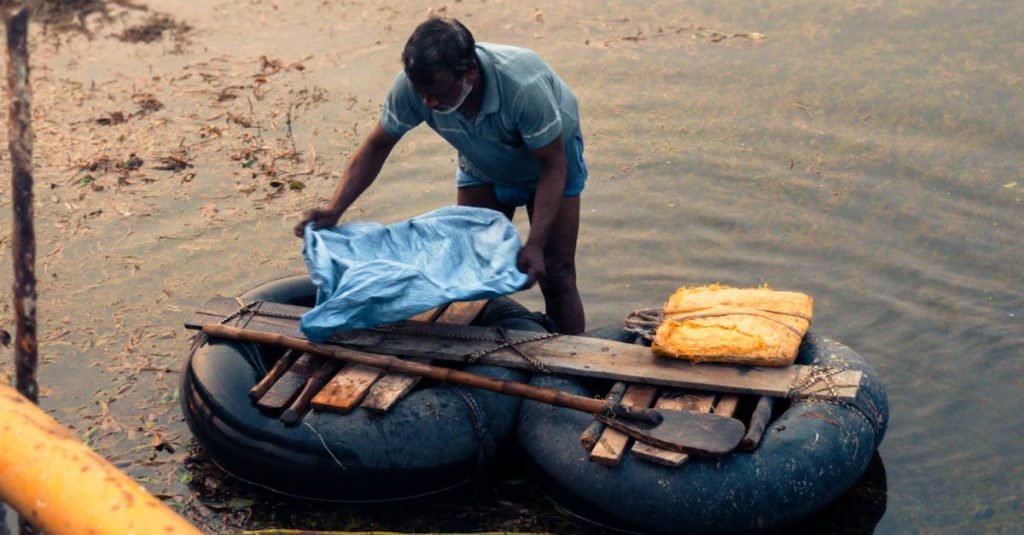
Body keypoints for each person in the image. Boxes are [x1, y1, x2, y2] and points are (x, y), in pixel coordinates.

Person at [294, 17, 587, 334]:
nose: (428, 103)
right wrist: (335, 209)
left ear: (470, 73)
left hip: (550, 164)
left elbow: (552, 166)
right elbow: (377, 145)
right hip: (481, 162)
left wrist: (536, 243)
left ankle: (575, 366)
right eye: (421, 94)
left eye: (438, 93)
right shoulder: (412, 88)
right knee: (466, 265)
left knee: (557, 274)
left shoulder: (522, 87)